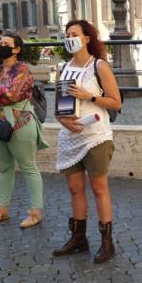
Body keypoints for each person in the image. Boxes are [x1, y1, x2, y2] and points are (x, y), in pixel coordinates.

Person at [52, 20, 122, 263]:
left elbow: (116, 102)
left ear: (87, 38)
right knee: (74, 189)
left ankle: (107, 241)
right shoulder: (63, 68)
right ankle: (79, 237)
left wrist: (89, 96)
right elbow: (58, 108)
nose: (70, 37)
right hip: (70, 136)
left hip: (96, 137)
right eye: (67, 34)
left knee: (99, 188)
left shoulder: (99, 67)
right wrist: (64, 121)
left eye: (75, 34)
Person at [0, 33, 47, 228]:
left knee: (28, 166)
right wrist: (0, 94)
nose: (1, 47)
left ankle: (35, 211)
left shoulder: (22, 69)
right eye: (0, 44)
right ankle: (2, 209)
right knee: (5, 168)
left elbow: (13, 95)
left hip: (20, 122)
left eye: (6, 44)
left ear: (16, 49)